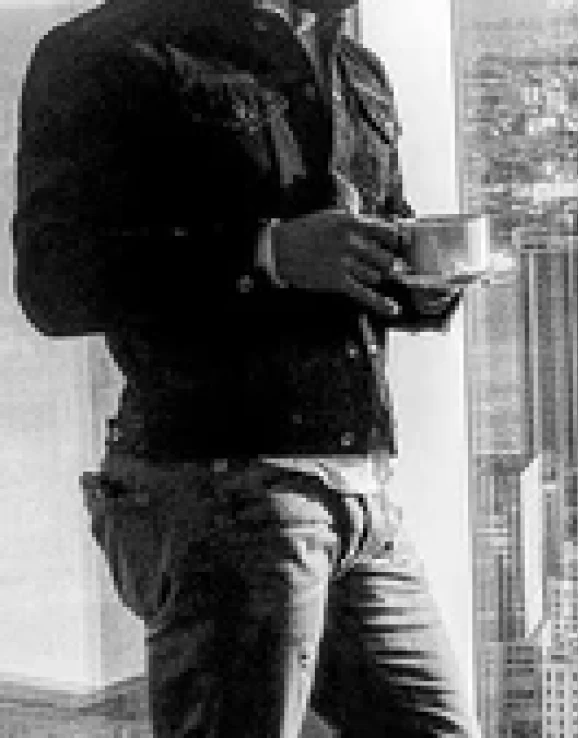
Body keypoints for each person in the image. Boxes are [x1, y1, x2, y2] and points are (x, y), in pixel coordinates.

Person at [12, 0, 473, 735]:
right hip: (222, 488)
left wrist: (420, 279)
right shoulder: (108, 51)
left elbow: (363, 247)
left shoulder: (355, 67)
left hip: (359, 490)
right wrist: (266, 253)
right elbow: (54, 282)